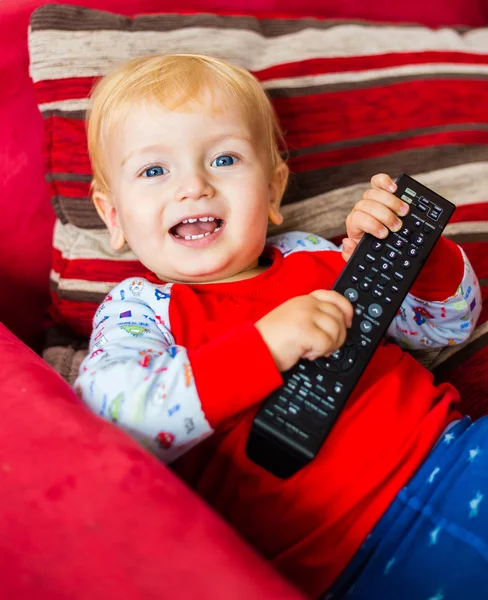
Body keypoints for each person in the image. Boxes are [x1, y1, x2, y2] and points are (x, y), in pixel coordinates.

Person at [75, 54, 486, 599]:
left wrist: (419, 258)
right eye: (155, 171)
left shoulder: (312, 257)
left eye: (224, 159)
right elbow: (113, 413)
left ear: (272, 192)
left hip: (457, 455)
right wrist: (262, 348)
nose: (194, 186)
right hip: (346, 557)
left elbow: (445, 329)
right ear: (113, 217)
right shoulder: (138, 309)